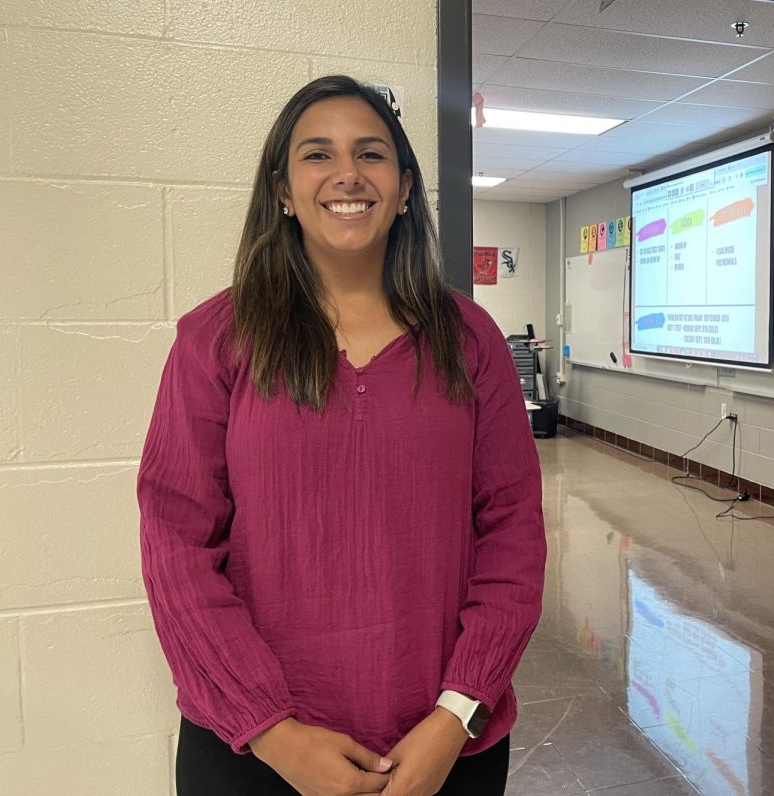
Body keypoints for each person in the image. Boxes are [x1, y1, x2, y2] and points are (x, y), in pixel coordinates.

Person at [137, 75, 546, 796]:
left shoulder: (468, 339)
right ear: (283, 190)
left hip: (442, 747)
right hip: (255, 753)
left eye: (372, 154)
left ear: (408, 186)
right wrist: (273, 732)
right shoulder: (216, 339)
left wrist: (457, 713)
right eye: (317, 155)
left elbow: (513, 533)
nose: (347, 174)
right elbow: (176, 544)